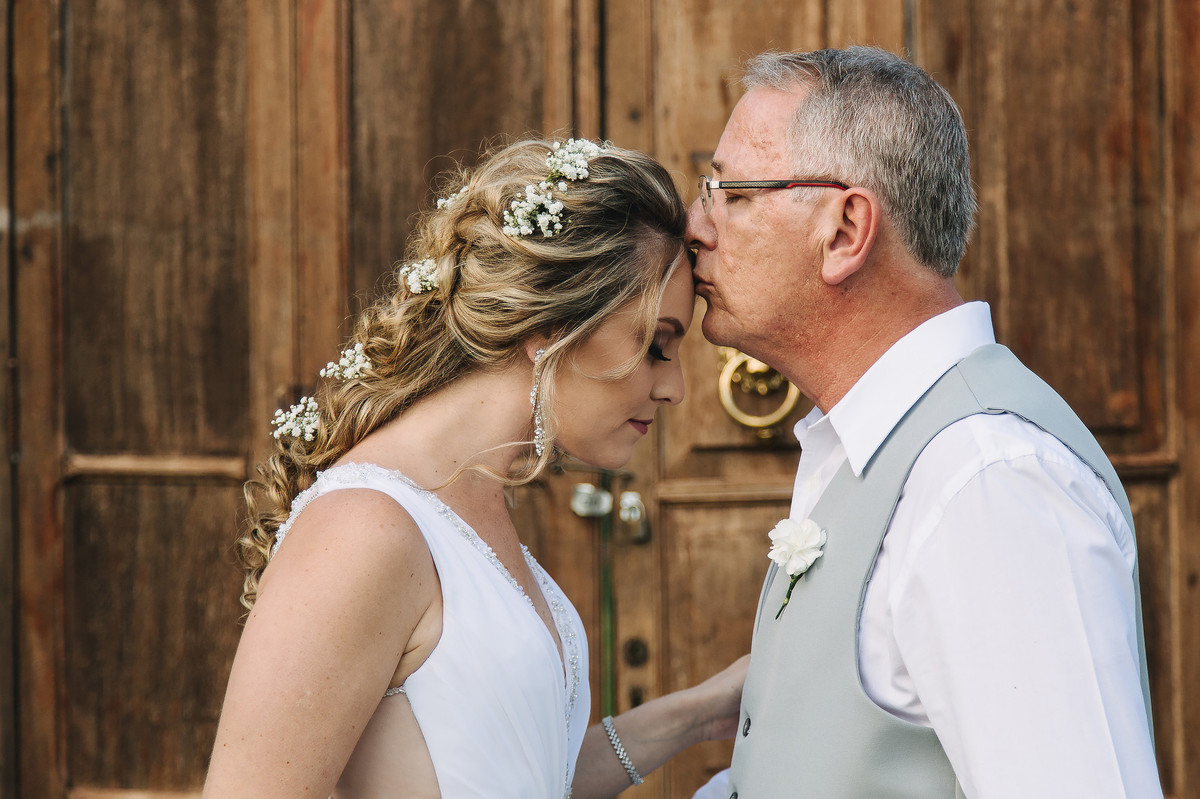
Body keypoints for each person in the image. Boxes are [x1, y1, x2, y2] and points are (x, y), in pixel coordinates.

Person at [203, 138, 747, 798]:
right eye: (657, 344)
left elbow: (520, 777)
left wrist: (701, 712)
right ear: (549, 326)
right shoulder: (361, 531)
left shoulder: (471, 500)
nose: (675, 390)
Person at [686, 47, 1161, 798]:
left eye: (731, 194)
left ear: (845, 230)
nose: (696, 227)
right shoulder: (871, 444)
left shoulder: (989, 478)